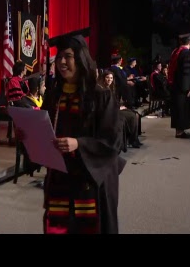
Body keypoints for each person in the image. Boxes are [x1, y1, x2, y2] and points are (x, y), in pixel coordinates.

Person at [17, 28, 126, 234]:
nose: (61, 62)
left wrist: (79, 144)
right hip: (60, 175)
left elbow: (113, 141)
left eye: (68, 56)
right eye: (59, 58)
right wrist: (28, 136)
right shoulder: (54, 95)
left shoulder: (100, 96)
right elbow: (46, 131)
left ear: (82, 59)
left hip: (90, 179)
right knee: (59, 227)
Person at [168, 33, 190, 138]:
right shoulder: (186, 53)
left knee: (177, 108)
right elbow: (186, 72)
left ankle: (178, 131)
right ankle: (180, 132)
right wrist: (188, 87)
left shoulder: (175, 51)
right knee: (181, 108)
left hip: (174, 84)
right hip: (182, 87)